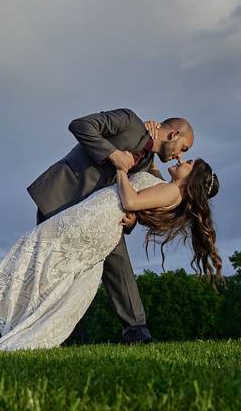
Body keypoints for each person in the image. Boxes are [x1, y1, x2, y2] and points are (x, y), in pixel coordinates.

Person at [0, 157, 221, 351]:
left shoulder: (172, 190)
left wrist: (121, 170)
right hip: (99, 217)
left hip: (96, 217)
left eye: (188, 162)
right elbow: (141, 197)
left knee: (35, 246)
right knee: (63, 274)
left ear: (193, 177)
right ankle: (15, 315)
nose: (181, 159)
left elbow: (130, 201)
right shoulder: (170, 189)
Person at [25, 108, 194, 344]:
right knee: (52, 271)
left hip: (99, 214)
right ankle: (55, 334)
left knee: (119, 261)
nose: (180, 156)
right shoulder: (129, 120)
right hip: (63, 199)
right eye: (184, 148)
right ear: (174, 134)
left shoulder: (147, 162)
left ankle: (136, 330)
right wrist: (113, 154)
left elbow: (140, 194)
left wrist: (133, 218)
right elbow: (80, 125)